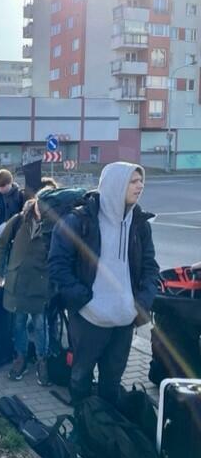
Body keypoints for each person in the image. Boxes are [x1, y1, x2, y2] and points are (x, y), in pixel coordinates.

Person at [49, 162, 159, 405]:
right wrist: (84, 300)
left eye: (141, 180)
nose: (140, 186)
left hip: (124, 319)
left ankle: (108, 423)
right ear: (115, 185)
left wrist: (140, 303)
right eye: (133, 181)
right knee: (80, 376)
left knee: (112, 382)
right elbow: (58, 266)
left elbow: (151, 268)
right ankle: (82, 417)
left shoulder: (139, 224)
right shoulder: (78, 221)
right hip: (89, 318)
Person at [0, 186, 57, 385]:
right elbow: (2, 245)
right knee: (18, 323)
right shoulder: (19, 220)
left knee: (40, 325)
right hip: (17, 282)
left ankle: (42, 360)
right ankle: (21, 357)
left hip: (40, 284)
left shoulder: (54, 225)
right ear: (36, 202)